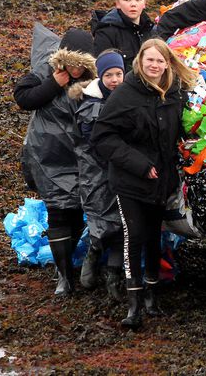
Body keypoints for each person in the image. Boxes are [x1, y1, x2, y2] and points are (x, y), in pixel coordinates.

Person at [91, 39, 198, 329]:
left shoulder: (175, 93)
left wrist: (189, 142)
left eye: (159, 61)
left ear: (167, 64)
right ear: (140, 61)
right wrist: (139, 164)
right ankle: (133, 304)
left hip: (162, 180)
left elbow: (180, 131)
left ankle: (152, 295)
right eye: (149, 59)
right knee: (135, 235)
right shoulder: (125, 94)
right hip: (130, 180)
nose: (154, 65)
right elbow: (102, 136)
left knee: (154, 236)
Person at [14, 28, 97, 296]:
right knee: (58, 212)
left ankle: (71, 262)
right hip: (49, 156)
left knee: (77, 213)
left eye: (80, 64)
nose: (74, 69)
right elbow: (24, 98)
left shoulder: (96, 83)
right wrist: (54, 83)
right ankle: (63, 277)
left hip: (81, 158)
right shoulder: (44, 73)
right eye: (70, 63)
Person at [70, 50, 126, 301]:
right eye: (109, 75)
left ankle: (114, 276)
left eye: (119, 74)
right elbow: (93, 144)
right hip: (96, 172)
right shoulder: (90, 105)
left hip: (122, 169)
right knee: (102, 221)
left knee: (123, 226)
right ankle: (93, 253)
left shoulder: (127, 97)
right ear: (100, 76)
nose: (115, 79)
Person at [91, 0, 156, 72]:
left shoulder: (151, 31)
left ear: (144, 3)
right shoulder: (106, 32)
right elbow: (101, 71)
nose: (133, 4)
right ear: (117, 3)